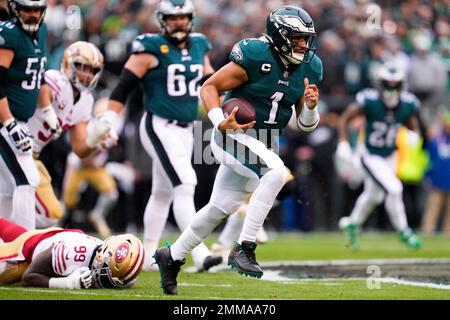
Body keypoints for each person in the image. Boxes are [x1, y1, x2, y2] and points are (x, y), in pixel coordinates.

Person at [154, 5, 322, 295]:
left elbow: (305, 126)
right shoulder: (256, 55)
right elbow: (209, 87)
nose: (303, 45)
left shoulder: (310, 66)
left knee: (220, 208)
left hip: (264, 141)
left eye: (306, 39)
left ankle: (172, 256)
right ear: (280, 35)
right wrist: (221, 122)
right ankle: (244, 246)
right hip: (233, 135)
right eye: (297, 38)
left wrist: (309, 109)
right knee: (277, 172)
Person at [92, 0, 222, 272]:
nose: (179, 23)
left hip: (187, 128)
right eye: (173, 19)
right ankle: (198, 252)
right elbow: (124, 86)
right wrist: (109, 119)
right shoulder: (149, 47)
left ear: (191, 19)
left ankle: (149, 252)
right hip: (159, 124)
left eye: (183, 18)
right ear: (162, 20)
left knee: (163, 192)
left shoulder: (199, 45)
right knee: (185, 184)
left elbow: (211, 84)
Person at [337, 63, 423, 250]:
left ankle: (352, 223)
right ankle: (404, 231)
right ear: (380, 84)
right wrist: (343, 142)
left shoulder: (407, 104)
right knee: (394, 188)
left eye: (395, 85)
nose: (391, 89)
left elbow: (412, 123)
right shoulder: (370, 100)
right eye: (387, 84)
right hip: (369, 154)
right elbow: (346, 118)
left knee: (374, 196)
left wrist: (414, 134)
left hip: (389, 155)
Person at [29, 41, 113, 229]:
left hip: (33, 156)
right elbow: (43, 90)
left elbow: (80, 149)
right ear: (68, 64)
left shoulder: (86, 100)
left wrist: (95, 138)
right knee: (21, 204)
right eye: (83, 68)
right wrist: (47, 111)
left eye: (92, 71)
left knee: (52, 216)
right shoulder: (56, 79)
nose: (87, 75)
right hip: (15, 147)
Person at [0, 0, 51, 230]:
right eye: (27, 10)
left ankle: (5, 248)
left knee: (8, 188)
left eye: (37, 10)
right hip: (4, 120)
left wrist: (47, 109)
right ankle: (25, 247)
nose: (32, 15)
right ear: (14, 9)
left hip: (17, 120)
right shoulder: (9, 35)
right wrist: (10, 123)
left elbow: (38, 75)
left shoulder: (41, 32)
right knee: (28, 179)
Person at [0, 217, 144, 289]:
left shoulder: (124, 272)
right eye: (107, 271)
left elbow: (126, 278)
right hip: (29, 250)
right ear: (101, 255)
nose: (106, 279)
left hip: (52, 237)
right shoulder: (72, 254)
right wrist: (67, 282)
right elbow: (29, 276)